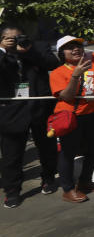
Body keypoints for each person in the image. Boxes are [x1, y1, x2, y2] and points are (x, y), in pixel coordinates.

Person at [48, 15, 94, 203]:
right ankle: (68, 189)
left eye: (78, 45)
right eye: (70, 47)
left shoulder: (92, 59)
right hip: (70, 116)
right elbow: (66, 97)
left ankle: (85, 182)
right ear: (62, 53)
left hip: (92, 114)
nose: (76, 49)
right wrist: (75, 76)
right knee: (68, 153)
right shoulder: (58, 73)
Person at [0, 24, 59, 207]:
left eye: (19, 36)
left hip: (40, 108)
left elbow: (53, 64)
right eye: (9, 38)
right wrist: (4, 51)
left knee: (47, 149)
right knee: (11, 155)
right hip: (12, 111)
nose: (15, 40)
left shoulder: (37, 47)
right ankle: (12, 191)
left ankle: (48, 178)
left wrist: (27, 51)